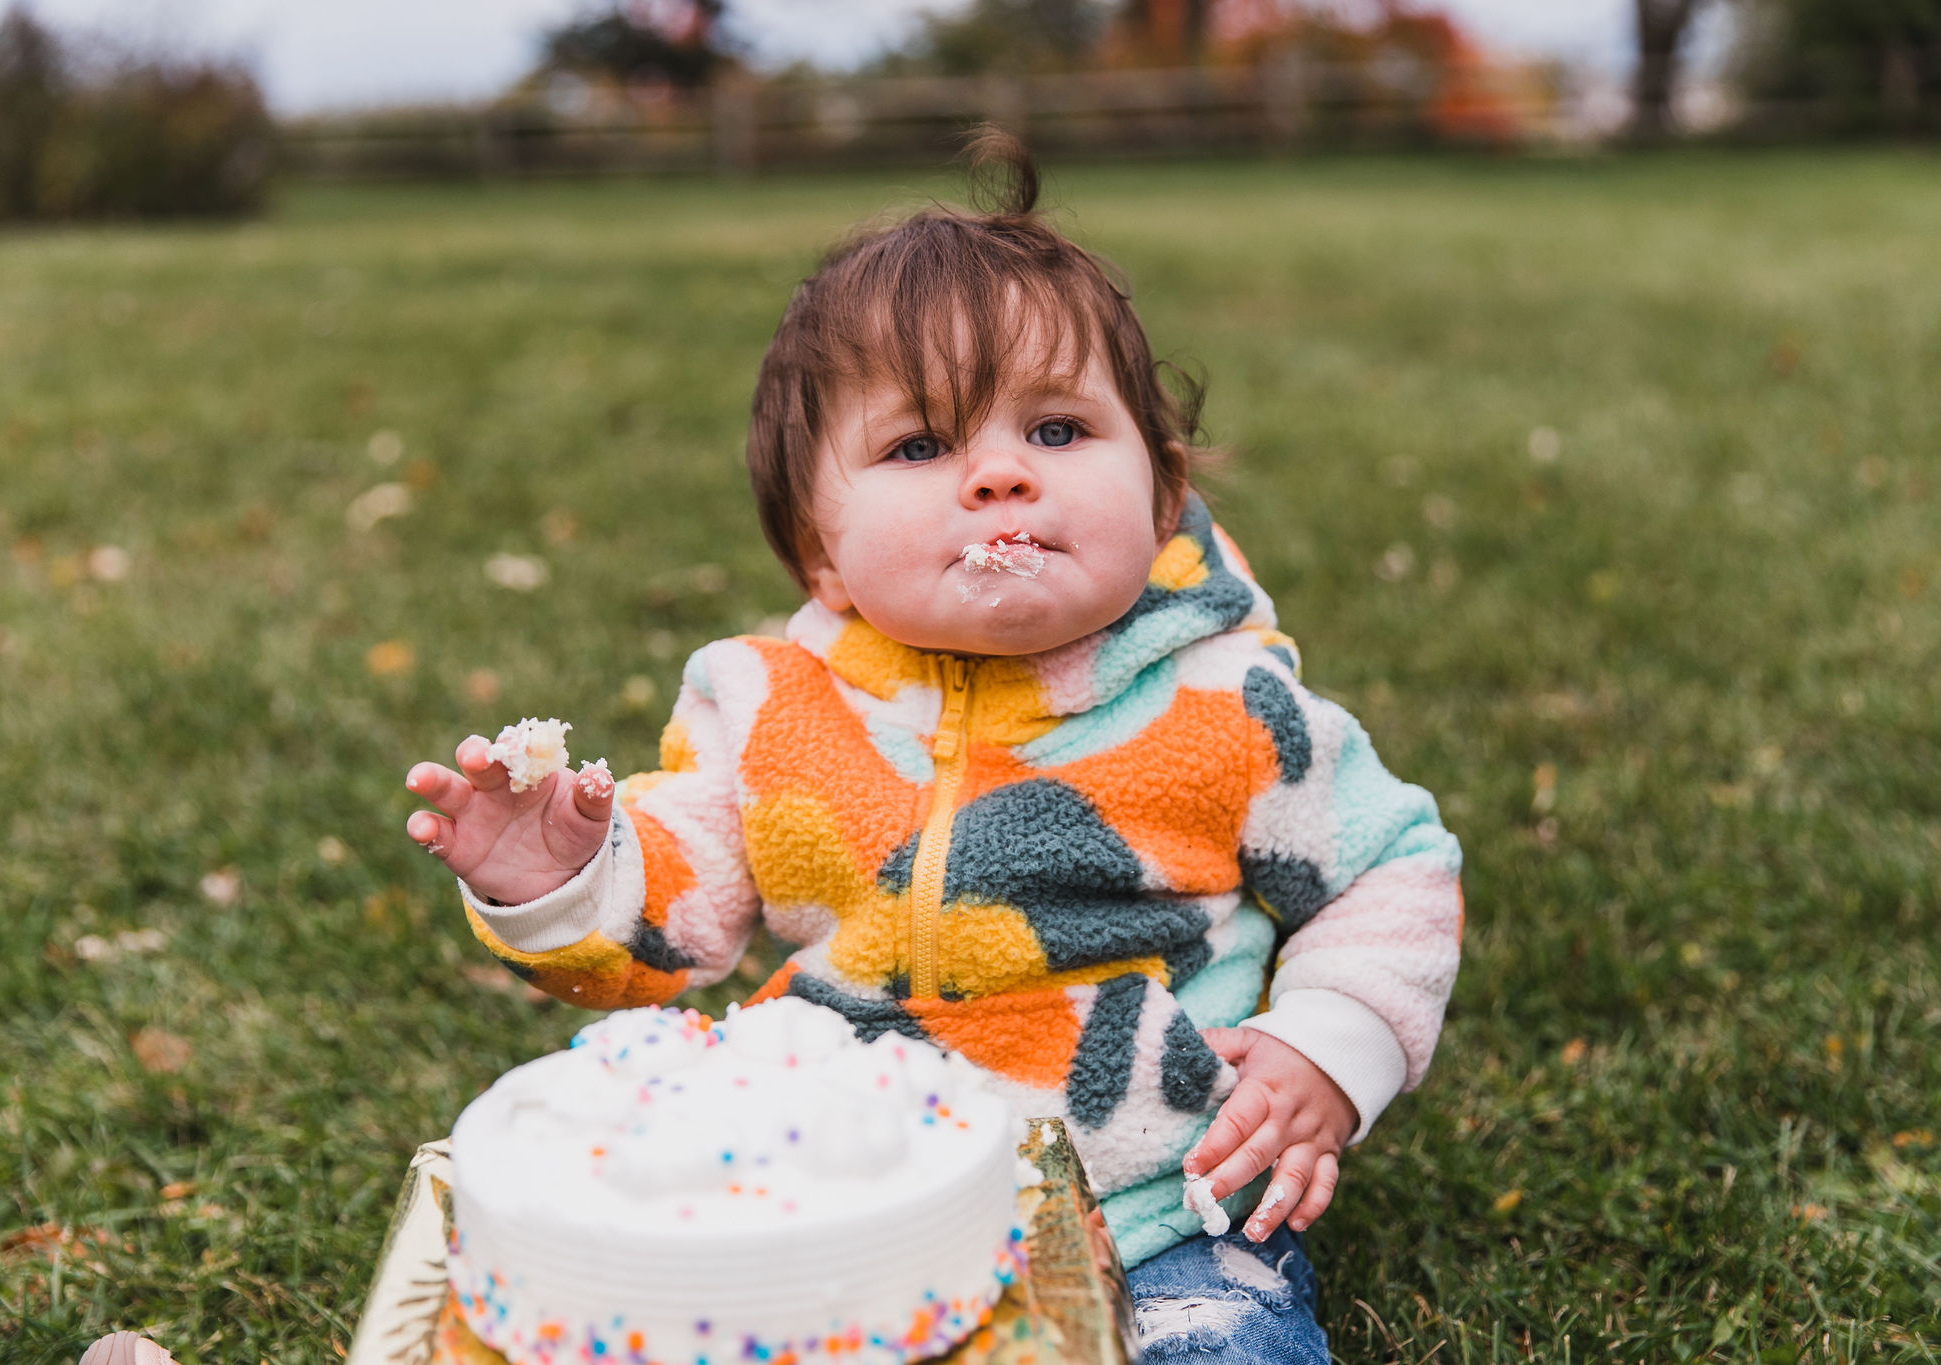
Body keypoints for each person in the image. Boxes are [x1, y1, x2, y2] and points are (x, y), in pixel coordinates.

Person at [402, 130, 1461, 1364]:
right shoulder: (764, 706)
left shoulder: (1226, 703)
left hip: (1155, 1207)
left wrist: (1321, 1048)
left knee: (1219, 1350)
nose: (999, 477)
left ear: (1162, 490)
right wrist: (563, 876)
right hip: (843, 1199)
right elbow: (673, 913)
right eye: (920, 447)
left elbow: (1390, 864)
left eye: (1057, 431)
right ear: (821, 559)